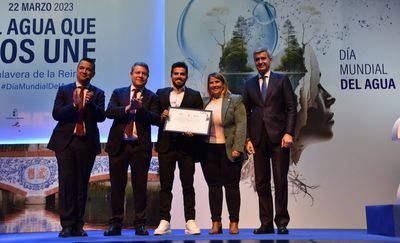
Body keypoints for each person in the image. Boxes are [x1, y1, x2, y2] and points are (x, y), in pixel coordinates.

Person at [47, 58, 105, 237]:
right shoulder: (64, 90)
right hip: (65, 143)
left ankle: (79, 226)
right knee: (66, 184)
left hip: (86, 143)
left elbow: (102, 116)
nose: (85, 71)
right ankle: (66, 226)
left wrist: (90, 104)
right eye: (82, 68)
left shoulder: (98, 93)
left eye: (89, 69)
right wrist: (74, 104)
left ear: (93, 73)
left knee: (81, 185)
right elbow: (56, 114)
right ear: (77, 70)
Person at [242, 48, 297, 235]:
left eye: (263, 58)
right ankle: (266, 223)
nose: (260, 62)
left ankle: (281, 222)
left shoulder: (282, 80)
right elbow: (246, 114)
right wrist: (247, 138)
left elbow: (291, 108)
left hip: (279, 138)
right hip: (258, 139)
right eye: (257, 59)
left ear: (270, 60)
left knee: (280, 180)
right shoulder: (249, 84)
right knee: (261, 183)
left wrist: (289, 132)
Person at [103, 62, 160, 236]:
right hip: (119, 145)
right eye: (137, 72)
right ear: (131, 74)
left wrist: (141, 110)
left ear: (147, 77)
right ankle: (115, 224)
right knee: (117, 187)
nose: (140, 76)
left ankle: (140, 224)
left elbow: (157, 119)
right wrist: (128, 108)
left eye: (144, 73)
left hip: (140, 147)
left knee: (140, 187)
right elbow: (109, 112)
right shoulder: (118, 93)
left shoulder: (152, 97)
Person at [154, 62, 203, 235]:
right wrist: (161, 117)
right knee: (165, 186)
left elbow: (200, 121)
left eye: (182, 74)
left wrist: (194, 132)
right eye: (176, 74)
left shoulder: (195, 95)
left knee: (188, 186)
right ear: (171, 75)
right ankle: (164, 221)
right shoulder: (160, 94)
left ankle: (190, 221)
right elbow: (154, 117)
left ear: (187, 76)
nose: (179, 76)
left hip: (187, 148)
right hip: (166, 146)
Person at [201, 72, 246, 234]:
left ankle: (234, 222)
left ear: (223, 83)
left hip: (229, 150)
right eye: (211, 82)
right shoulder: (204, 102)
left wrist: (238, 147)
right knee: (213, 187)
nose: (214, 85)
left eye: (217, 82)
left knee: (232, 187)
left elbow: (241, 125)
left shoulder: (235, 100)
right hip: (209, 150)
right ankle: (216, 222)